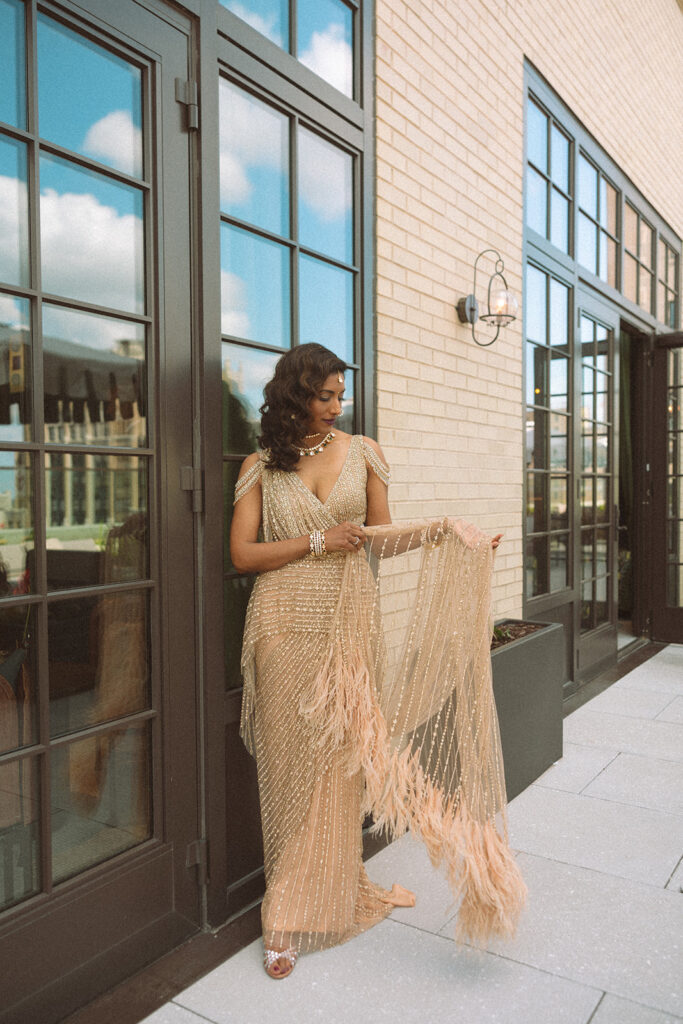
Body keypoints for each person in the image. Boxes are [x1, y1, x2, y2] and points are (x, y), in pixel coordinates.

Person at [230, 343, 525, 980]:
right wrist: (317, 540)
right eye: (324, 396)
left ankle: (335, 894)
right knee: (288, 771)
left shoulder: (364, 453)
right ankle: (282, 916)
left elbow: (382, 541)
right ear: (294, 397)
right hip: (282, 627)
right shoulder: (261, 465)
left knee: (340, 767)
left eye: (342, 395)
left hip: (349, 629)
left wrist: (450, 534)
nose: (337, 407)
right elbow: (242, 556)